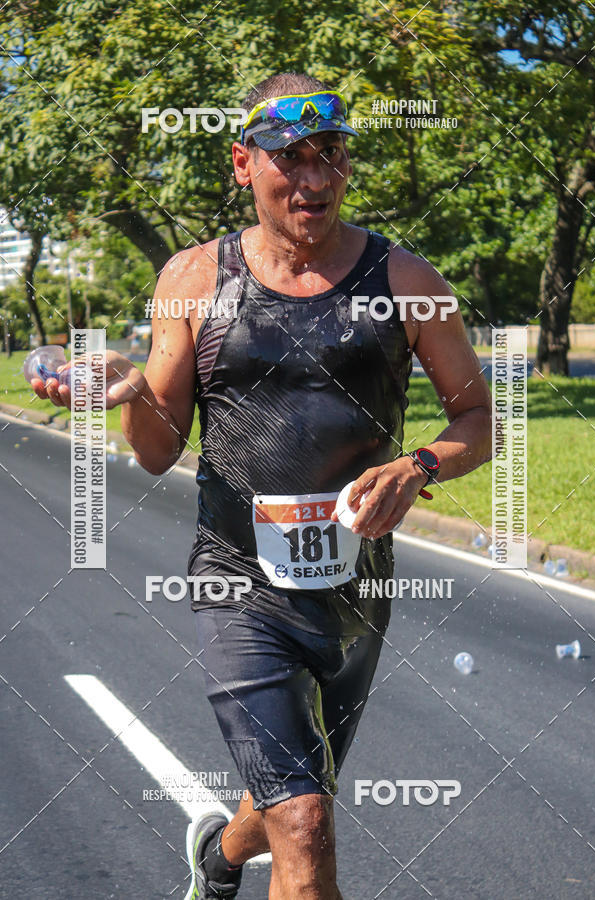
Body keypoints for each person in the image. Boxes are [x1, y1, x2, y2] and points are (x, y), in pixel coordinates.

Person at [32, 72, 492, 900]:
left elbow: (477, 417)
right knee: (306, 823)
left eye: (331, 155)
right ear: (244, 163)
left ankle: (217, 858)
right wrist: (133, 394)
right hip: (238, 581)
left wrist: (420, 464)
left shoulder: (406, 280)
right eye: (291, 158)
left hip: (356, 588)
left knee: (295, 794)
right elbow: (157, 452)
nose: (315, 178)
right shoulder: (194, 280)